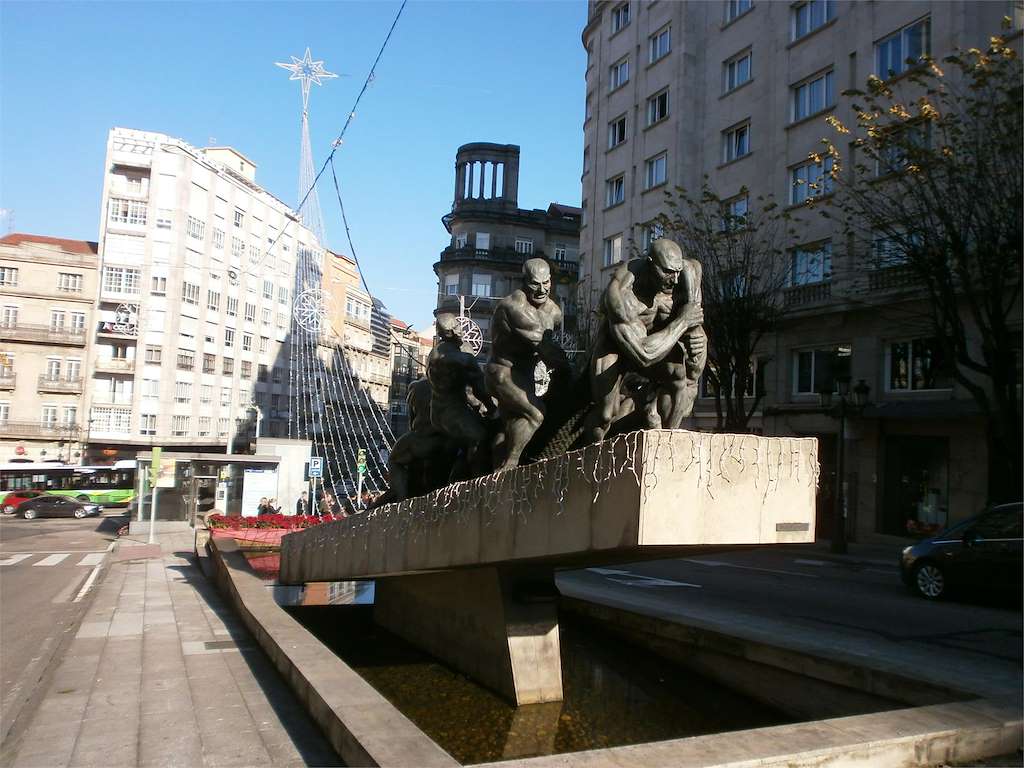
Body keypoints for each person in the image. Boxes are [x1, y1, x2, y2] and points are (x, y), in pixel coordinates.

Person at [585, 238, 707, 443]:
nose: (674, 279)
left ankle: (666, 444)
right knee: (606, 414)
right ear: (650, 264)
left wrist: (699, 339)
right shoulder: (622, 294)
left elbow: (694, 321)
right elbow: (644, 355)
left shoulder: (688, 274)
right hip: (618, 346)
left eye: (677, 271)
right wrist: (683, 323)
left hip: (660, 340)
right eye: (667, 272)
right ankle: (591, 456)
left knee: (679, 377)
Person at [486, 258, 569, 471]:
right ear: (524, 281)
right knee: (534, 414)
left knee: (509, 426)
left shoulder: (554, 310)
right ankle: (509, 467)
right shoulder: (515, 307)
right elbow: (544, 346)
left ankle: (490, 463)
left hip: (527, 374)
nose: (542, 289)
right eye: (535, 284)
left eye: (546, 282)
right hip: (502, 372)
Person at [427, 313, 495, 478]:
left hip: (436, 411)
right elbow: (480, 390)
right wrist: (493, 408)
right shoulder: (463, 360)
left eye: (458, 326)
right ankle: (478, 481)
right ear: (450, 332)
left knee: (467, 442)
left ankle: (457, 476)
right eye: (456, 328)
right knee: (480, 437)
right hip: (452, 413)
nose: (461, 330)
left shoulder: (433, 353)